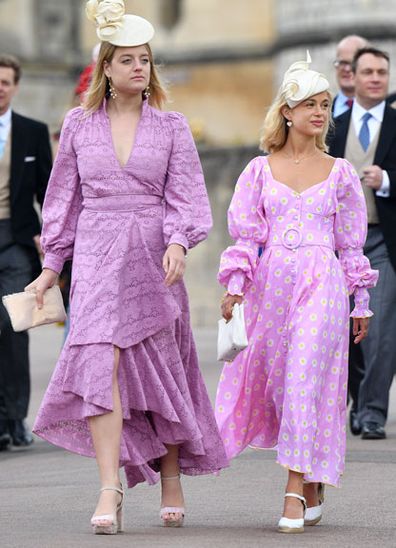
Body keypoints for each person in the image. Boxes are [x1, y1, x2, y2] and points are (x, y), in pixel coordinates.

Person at [27, 0, 227, 534]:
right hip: (94, 256)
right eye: (129, 60)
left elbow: (189, 198)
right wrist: (51, 267)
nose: (140, 67)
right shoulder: (76, 124)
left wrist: (180, 243)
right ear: (107, 70)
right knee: (101, 364)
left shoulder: (172, 126)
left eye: (146, 59)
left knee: (159, 367)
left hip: (153, 256)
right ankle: (109, 486)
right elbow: (62, 199)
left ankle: (170, 476)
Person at [216, 52, 378, 534]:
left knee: (307, 375)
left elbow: (351, 242)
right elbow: (245, 237)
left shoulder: (342, 173)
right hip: (271, 288)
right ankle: (311, 480)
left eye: (326, 105)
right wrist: (235, 287)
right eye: (310, 104)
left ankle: (292, 488)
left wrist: (360, 299)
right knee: (284, 383)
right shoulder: (258, 170)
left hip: (322, 285)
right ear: (286, 110)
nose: (319, 113)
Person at [328, 47, 396, 440]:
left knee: (379, 328)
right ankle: (352, 404)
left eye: (381, 72)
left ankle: (371, 412)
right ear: (352, 76)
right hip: (336, 244)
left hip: (383, 240)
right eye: (367, 71)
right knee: (341, 331)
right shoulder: (332, 126)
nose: (375, 78)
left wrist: (386, 181)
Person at [0, 54, 52, 450]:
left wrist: (50, 238)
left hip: (16, 241)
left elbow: (48, 194)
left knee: (12, 326)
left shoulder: (33, 132)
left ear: (15, 86)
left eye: (5, 81)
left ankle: (14, 418)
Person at [332, 35, 368, 118]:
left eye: (353, 63)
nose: (347, 69)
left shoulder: (385, 112)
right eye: (343, 63)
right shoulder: (322, 113)